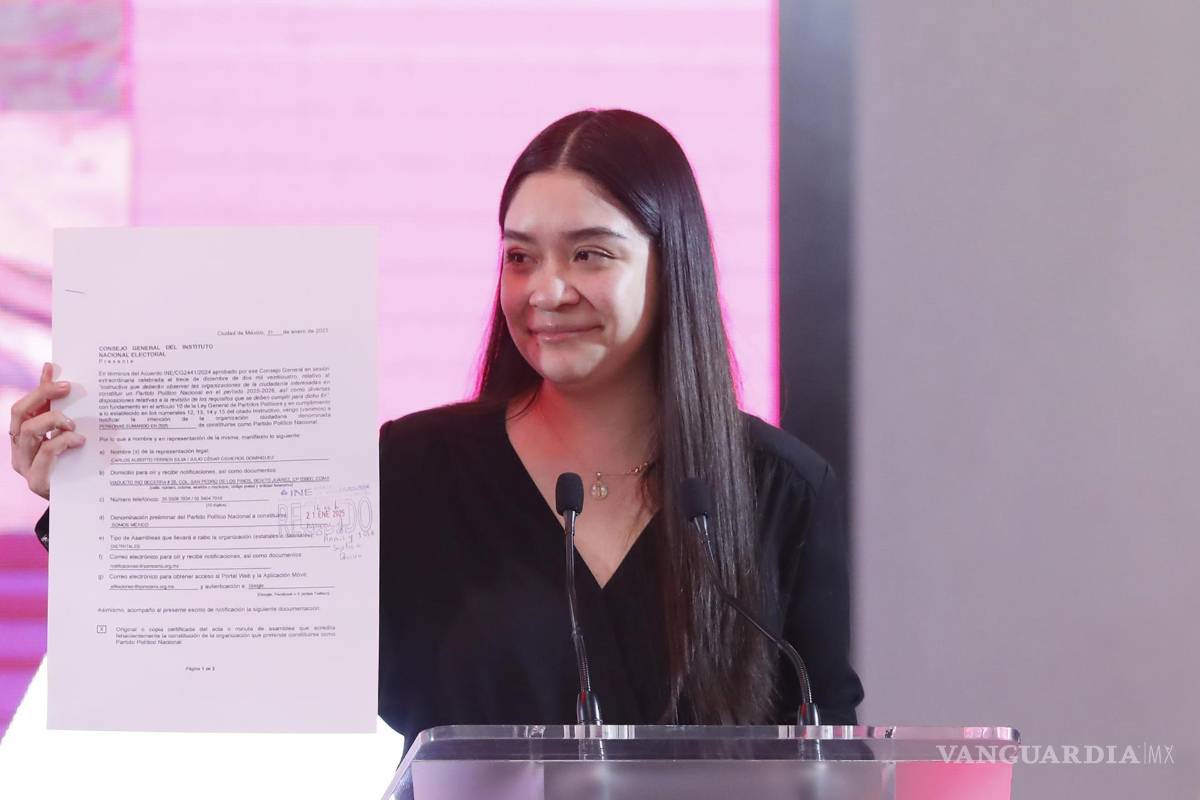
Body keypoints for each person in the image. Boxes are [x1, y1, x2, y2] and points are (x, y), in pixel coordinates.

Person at [10, 109, 863, 746]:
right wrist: (90, 497)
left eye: (589, 254)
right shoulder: (413, 469)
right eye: (520, 255)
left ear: (669, 263)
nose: (544, 291)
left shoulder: (777, 490)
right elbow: (233, 630)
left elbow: (832, 748)